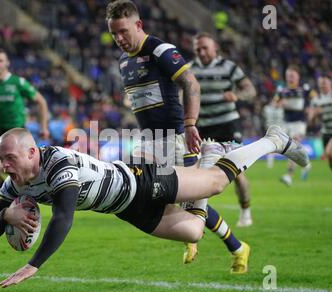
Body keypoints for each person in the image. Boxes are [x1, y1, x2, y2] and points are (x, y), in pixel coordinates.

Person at [0, 126, 308, 288]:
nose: (4, 166)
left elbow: (64, 216)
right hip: (125, 208)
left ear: (30, 153)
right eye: (1, 160)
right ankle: (209, 158)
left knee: (217, 183)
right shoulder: (15, 184)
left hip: (140, 180)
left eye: (9, 158)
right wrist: (5, 214)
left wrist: (34, 264)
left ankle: (273, 141)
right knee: (194, 232)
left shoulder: (57, 163)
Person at [106, 0, 248, 272]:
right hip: (149, 140)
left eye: (123, 31)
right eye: (114, 34)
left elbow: (190, 83)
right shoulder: (124, 61)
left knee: (185, 199)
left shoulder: (160, 50)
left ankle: (236, 247)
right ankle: (219, 242)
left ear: (138, 24)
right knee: (155, 195)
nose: (119, 38)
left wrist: (191, 123)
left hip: (174, 139)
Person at [190, 32, 257, 228]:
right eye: (197, 49)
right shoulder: (189, 70)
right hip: (202, 127)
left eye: (205, 48)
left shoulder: (229, 67)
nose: (201, 52)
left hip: (228, 124)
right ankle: (197, 216)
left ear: (215, 48)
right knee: (196, 172)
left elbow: (250, 90)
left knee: (236, 173)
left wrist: (236, 94)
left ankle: (245, 211)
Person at [0, 48, 50, 191]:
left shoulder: (17, 82)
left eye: (0, 61)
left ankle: (25, 200)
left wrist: (43, 127)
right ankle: (12, 201)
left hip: (16, 132)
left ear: (7, 63)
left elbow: (41, 101)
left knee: (20, 172)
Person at [273, 65, 312, 186]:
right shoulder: (282, 90)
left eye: (292, 75)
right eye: (288, 75)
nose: (290, 78)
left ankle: (288, 176)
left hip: (299, 123)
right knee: (290, 148)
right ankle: (306, 164)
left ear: (298, 76)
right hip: (286, 123)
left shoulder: (304, 89)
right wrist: (279, 103)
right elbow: (275, 103)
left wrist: (311, 111)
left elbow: (315, 99)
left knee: (292, 147)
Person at [308, 75, 332, 188]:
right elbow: (312, 121)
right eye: (320, 83)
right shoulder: (316, 100)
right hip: (326, 131)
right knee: (331, 162)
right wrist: (314, 114)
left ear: (330, 83)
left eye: (325, 82)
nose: (322, 85)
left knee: (328, 153)